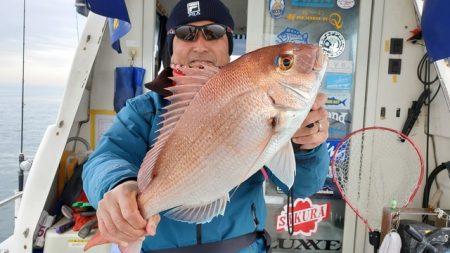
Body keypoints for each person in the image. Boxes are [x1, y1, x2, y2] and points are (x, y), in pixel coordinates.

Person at [82, 0, 330, 252]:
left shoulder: (262, 102)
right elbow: (105, 159)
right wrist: (118, 185)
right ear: (172, 45)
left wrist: (305, 148)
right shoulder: (143, 110)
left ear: (228, 43)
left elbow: (303, 186)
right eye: (185, 34)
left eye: (214, 33)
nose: (200, 45)